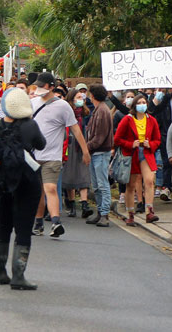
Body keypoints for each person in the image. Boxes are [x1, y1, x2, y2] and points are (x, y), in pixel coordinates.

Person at [0, 88, 46, 290]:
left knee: (2, 224)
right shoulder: (30, 125)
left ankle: (0, 272)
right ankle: (19, 275)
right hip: (26, 181)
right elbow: (41, 144)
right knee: (23, 228)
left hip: (0, 182)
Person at [30, 73, 90, 237]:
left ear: (50, 86)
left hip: (52, 156)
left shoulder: (63, 106)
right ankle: (38, 222)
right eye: (37, 86)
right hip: (34, 156)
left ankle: (56, 223)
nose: (39, 89)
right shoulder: (33, 103)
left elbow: (75, 129)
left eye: (42, 86)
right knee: (38, 191)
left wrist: (85, 151)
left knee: (50, 187)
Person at [114, 94, 161, 226]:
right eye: (139, 102)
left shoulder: (151, 120)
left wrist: (150, 144)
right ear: (134, 105)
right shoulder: (127, 120)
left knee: (149, 181)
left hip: (146, 152)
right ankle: (130, 214)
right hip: (131, 154)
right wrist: (130, 144)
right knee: (131, 185)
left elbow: (157, 139)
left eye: (144, 102)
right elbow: (117, 139)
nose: (142, 105)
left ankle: (149, 211)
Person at [84, 84, 113, 227]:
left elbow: (98, 137)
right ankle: (100, 211)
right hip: (96, 152)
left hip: (100, 152)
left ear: (93, 95)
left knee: (102, 185)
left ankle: (105, 214)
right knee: (96, 185)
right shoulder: (98, 110)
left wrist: (86, 147)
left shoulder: (102, 111)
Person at [61, 88, 92, 219]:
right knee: (69, 173)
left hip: (82, 145)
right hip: (70, 144)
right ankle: (72, 204)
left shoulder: (85, 113)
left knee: (83, 172)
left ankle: (85, 204)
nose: (81, 100)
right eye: (78, 97)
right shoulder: (66, 112)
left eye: (82, 98)